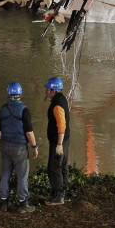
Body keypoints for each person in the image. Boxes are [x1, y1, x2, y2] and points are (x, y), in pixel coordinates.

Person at [0, 82, 38, 213]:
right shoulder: (24, 110)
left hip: (5, 145)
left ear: (8, 94)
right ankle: (23, 204)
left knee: (5, 174)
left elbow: (0, 132)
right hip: (20, 147)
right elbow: (29, 132)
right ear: (20, 94)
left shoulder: (2, 109)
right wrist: (34, 146)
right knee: (21, 176)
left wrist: (2, 145)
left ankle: (3, 203)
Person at [44, 76, 69, 206]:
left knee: (54, 167)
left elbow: (61, 125)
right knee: (63, 165)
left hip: (59, 140)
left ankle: (58, 195)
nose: (46, 92)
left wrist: (59, 144)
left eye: (48, 89)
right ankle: (63, 190)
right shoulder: (62, 99)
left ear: (53, 90)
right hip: (64, 139)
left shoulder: (57, 105)